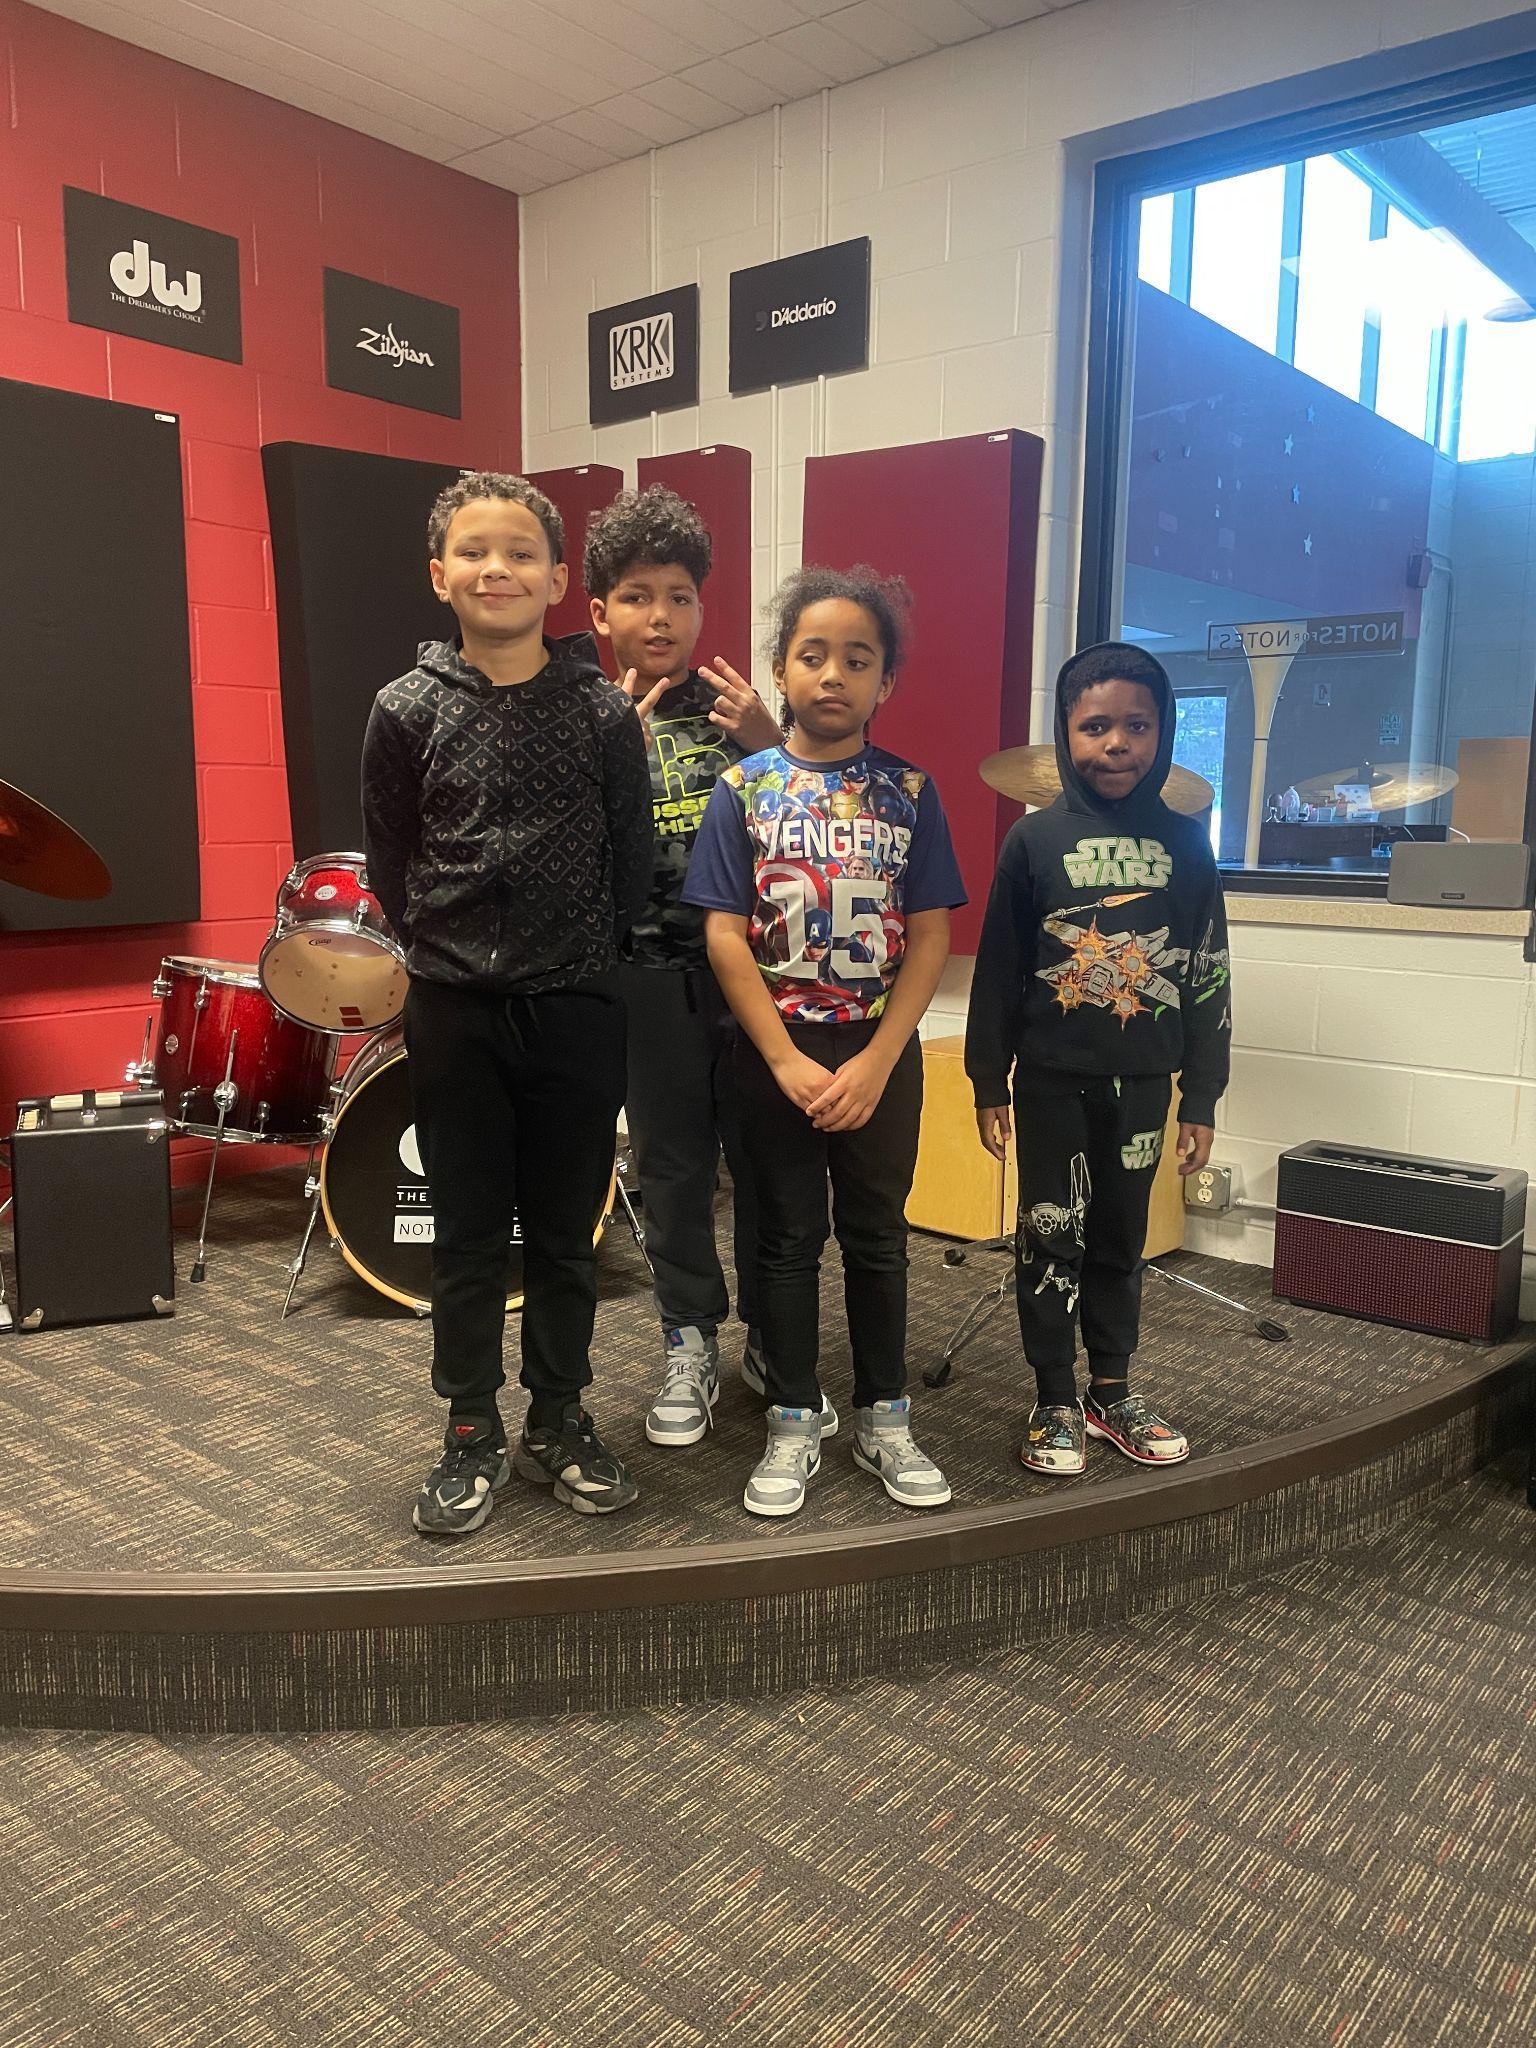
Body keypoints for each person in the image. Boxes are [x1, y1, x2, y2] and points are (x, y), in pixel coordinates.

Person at [361, 471, 653, 1537]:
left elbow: (632, 860)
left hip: (578, 1006)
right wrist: (456, 956)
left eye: (522, 553)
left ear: (560, 580)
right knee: (469, 1234)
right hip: (455, 1013)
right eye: (476, 552)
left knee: (569, 1235)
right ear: (439, 575)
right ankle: (471, 1427)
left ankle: (560, 1418)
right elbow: (392, 858)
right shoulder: (403, 709)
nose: (499, 568)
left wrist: (579, 961)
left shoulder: (604, 711)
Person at [684, 565, 966, 1518]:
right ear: (780, 670)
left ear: (886, 681)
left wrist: (879, 1062)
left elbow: (930, 934)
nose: (833, 674)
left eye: (858, 658)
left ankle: (886, 1415)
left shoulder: (911, 793)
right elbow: (726, 935)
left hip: (878, 1053)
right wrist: (783, 1060)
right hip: (776, 1055)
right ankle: (794, 1417)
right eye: (812, 655)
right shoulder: (742, 790)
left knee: (879, 1238)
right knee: (786, 1240)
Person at [965, 640, 1231, 1477]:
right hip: (1051, 1080)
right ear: (1065, 731)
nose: (1117, 744)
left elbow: (1209, 971)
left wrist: (1203, 1094)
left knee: (1121, 1238)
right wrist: (986, 1077)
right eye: (1095, 727)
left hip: (1147, 1083)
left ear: (1164, 732)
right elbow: (1000, 968)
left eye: (1137, 726)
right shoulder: (1033, 840)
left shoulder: (1189, 844)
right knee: (1051, 1234)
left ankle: (1109, 1390)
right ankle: (1052, 1396)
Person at [583, 485, 793, 1450]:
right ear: (601, 613)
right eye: (637, 596)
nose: (659, 616)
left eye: (678, 596)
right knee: (670, 1171)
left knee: (764, 1163)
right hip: (648, 979)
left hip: (755, 981)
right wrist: (609, 762)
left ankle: (773, 1333)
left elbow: (804, 837)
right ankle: (689, 1339)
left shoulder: (741, 716)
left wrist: (770, 746)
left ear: (703, 609)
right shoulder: (586, 721)